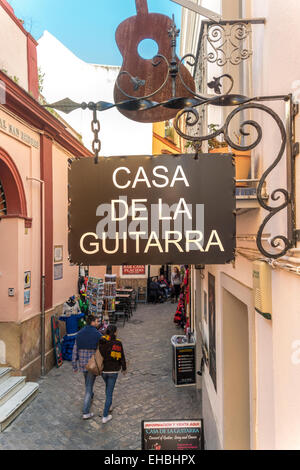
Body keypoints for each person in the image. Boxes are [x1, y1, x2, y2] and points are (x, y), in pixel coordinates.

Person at [72, 314, 102, 420]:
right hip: (92, 365)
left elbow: (75, 350)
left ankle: (91, 396)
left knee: (87, 383)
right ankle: (85, 411)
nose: (98, 323)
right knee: (88, 387)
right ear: (92, 322)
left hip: (82, 365)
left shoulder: (79, 333)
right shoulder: (98, 334)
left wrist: (74, 365)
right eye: (97, 321)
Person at [98, 324, 126, 424]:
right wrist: (124, 368)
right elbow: (122, 357)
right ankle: (105, 416)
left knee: (108, 388)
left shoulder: (102, 341)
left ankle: (109, 406)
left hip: (104, 371)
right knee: (109, 393)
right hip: (113, 371)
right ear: (114, 332)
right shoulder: (118, 343)